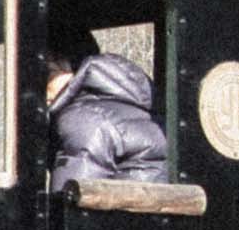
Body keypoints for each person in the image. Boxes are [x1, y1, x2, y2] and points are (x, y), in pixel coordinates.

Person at [46, 52, 167, 192]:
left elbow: (69, 204)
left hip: (123, 211)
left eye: (50, 73)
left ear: (74, 69)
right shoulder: (135, 106)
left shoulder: (83, 119)